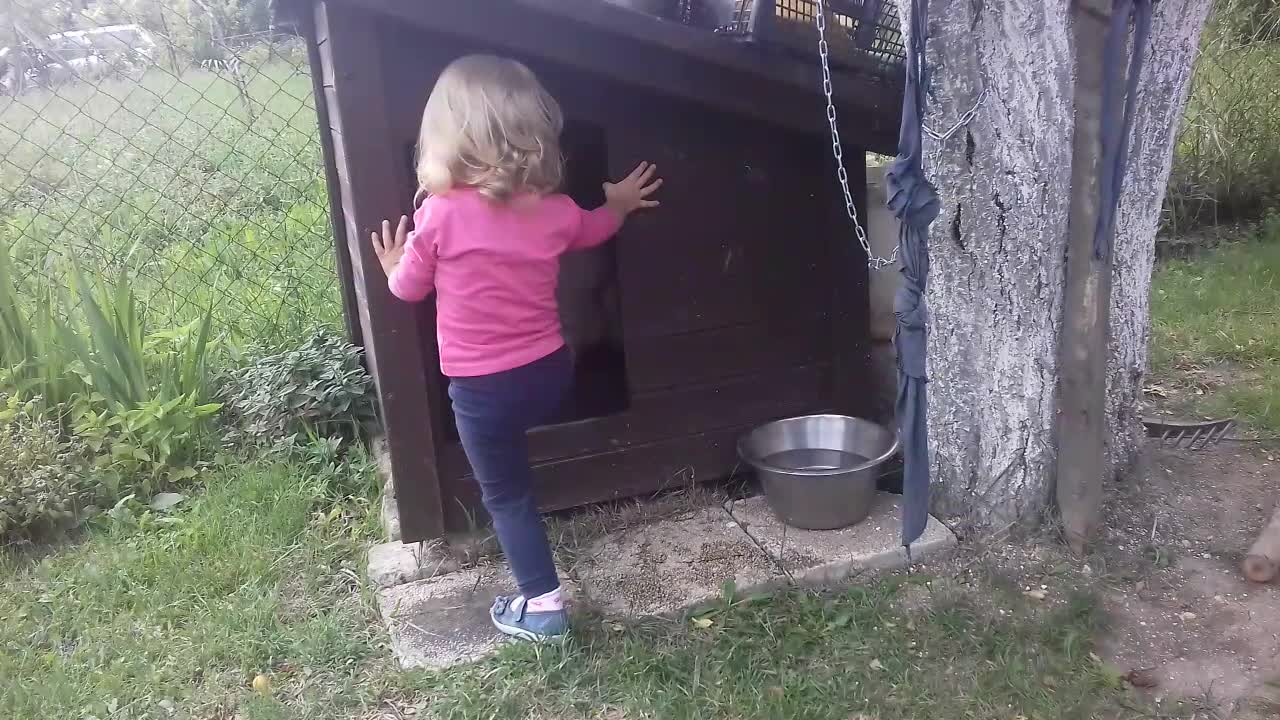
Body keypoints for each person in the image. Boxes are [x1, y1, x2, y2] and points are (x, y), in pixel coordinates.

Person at [370, 54, 662, 641]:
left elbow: (409, 290)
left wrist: (391, 263)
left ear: (446, 139)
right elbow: (595, 229)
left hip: (483, 390)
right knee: (523, 450)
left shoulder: (438, 217)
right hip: (552, 372)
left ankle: (544, 608)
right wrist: (619, 204)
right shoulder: (553, 210)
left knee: (507, 495)